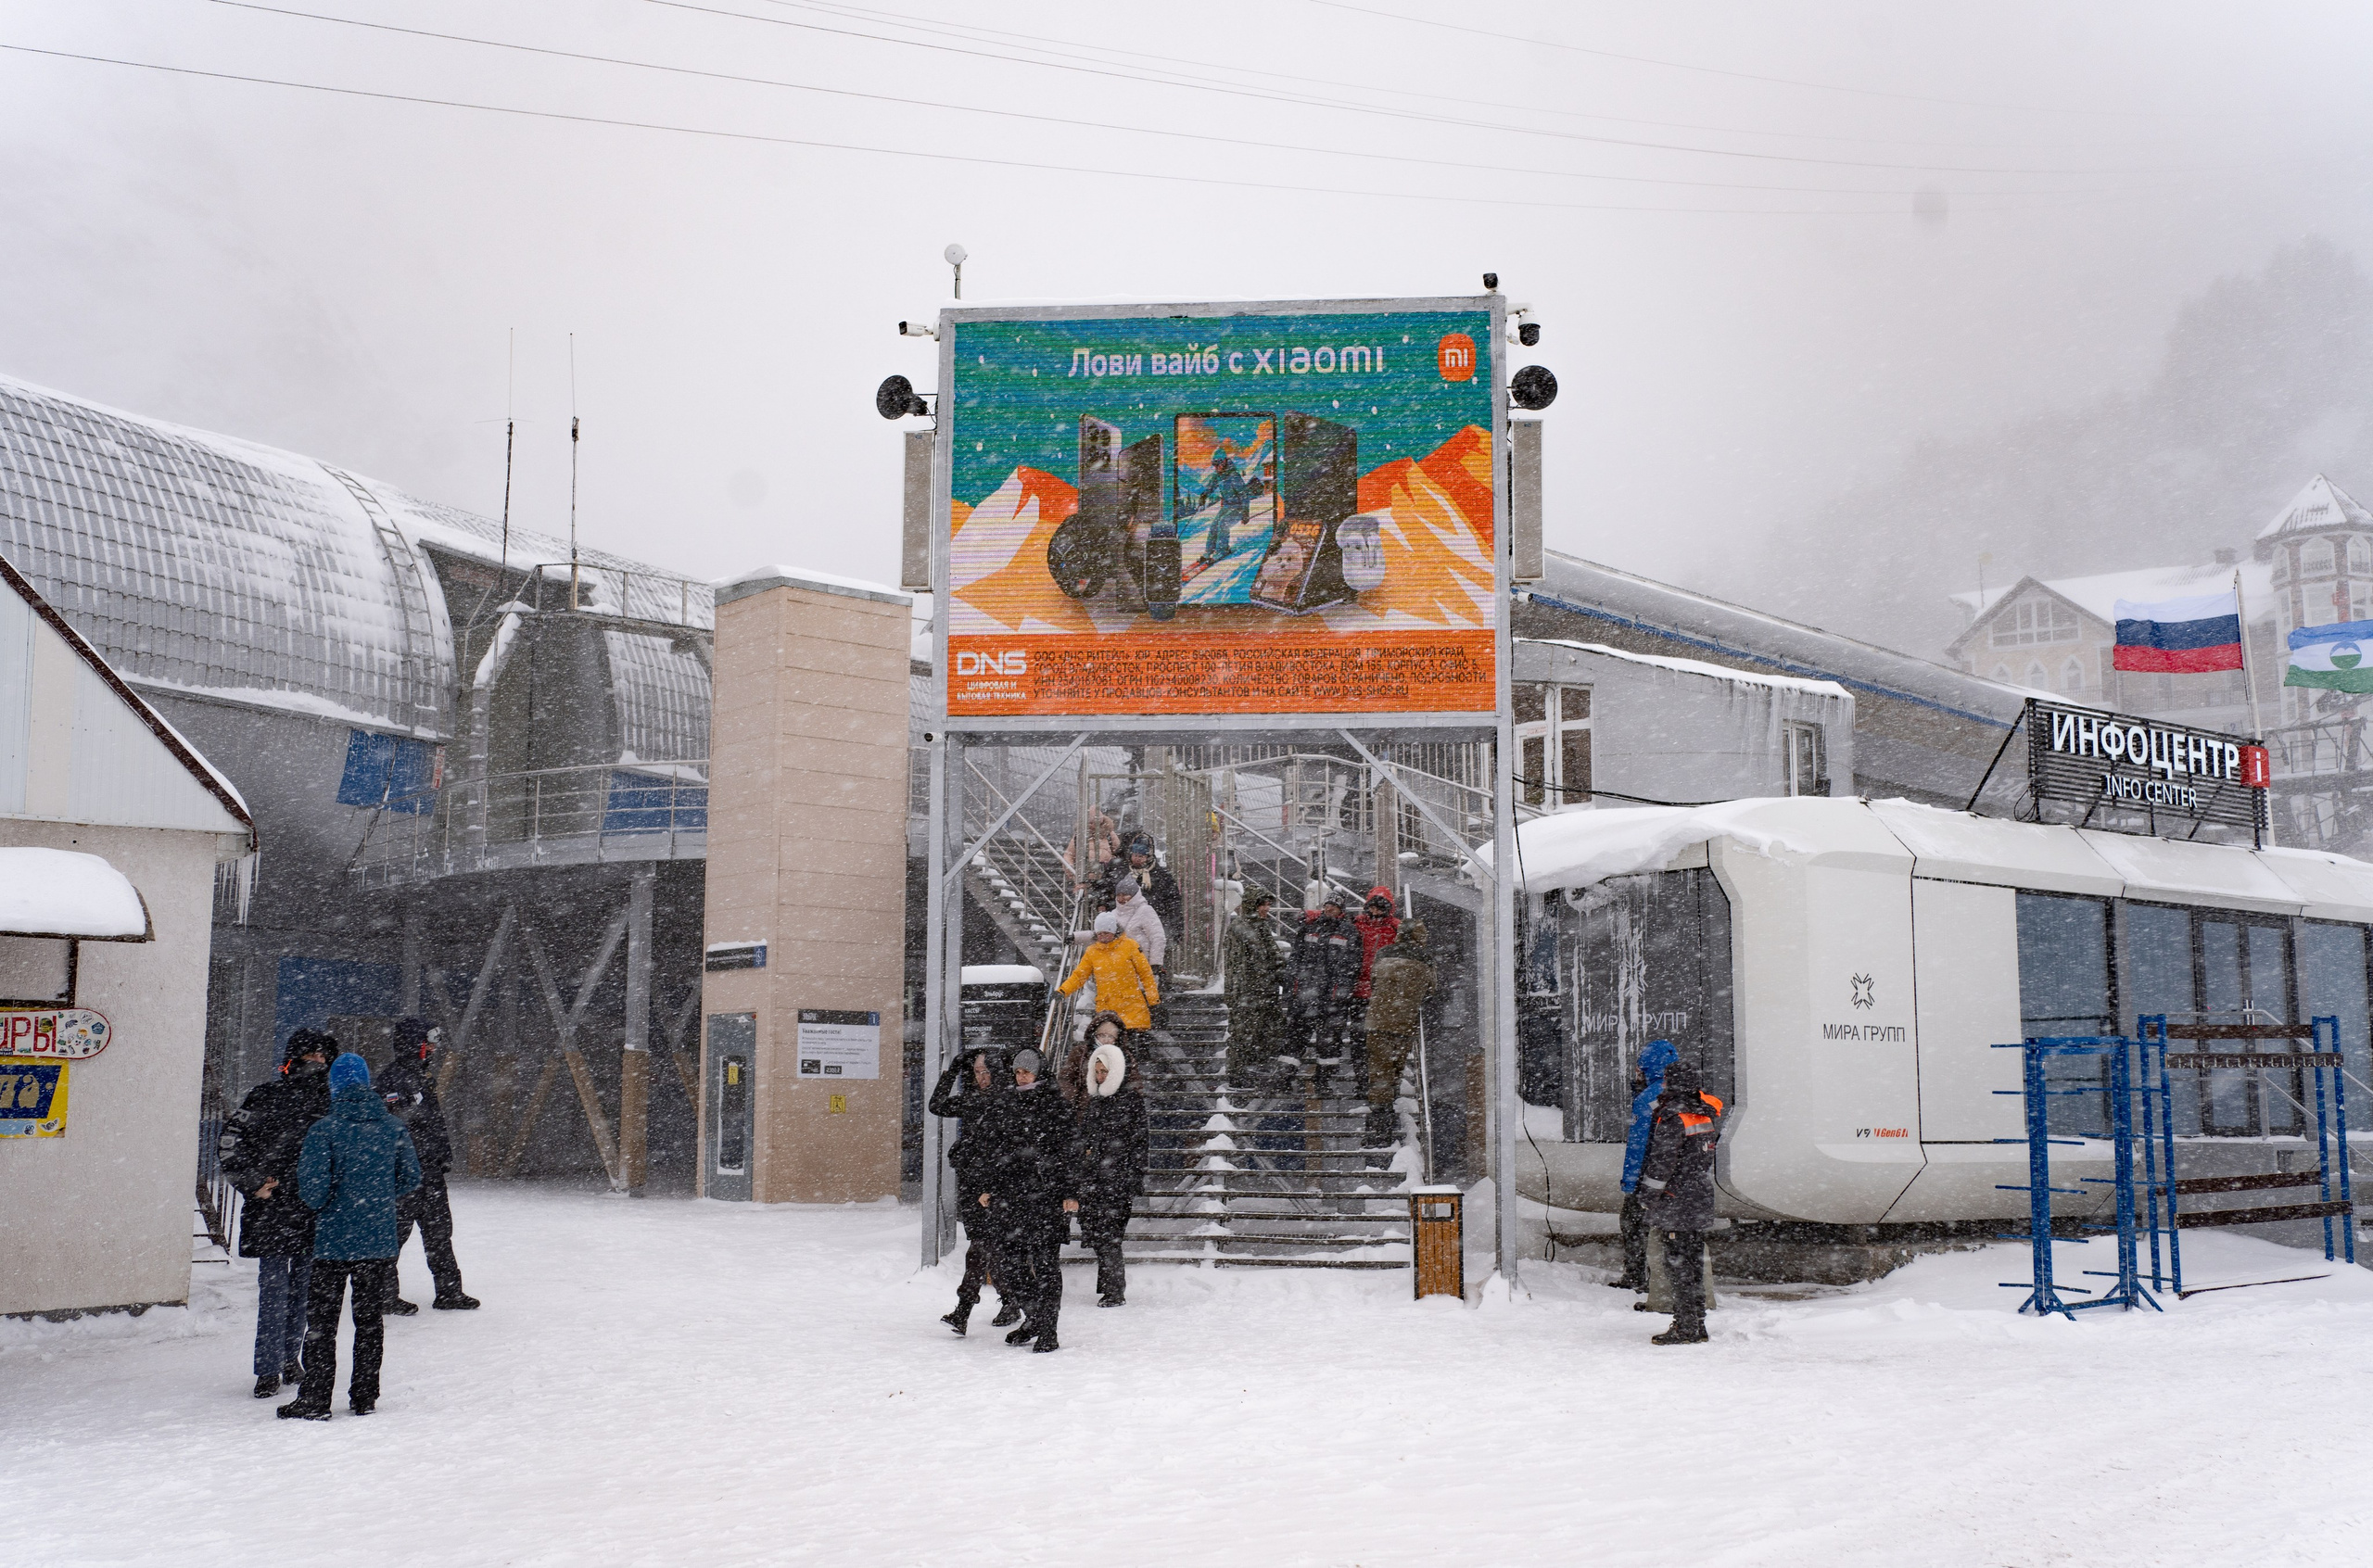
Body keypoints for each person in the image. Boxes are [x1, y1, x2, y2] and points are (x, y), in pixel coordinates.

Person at [280, 1052, 422, 1419]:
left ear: (334, 1087)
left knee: (322, 1324)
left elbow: (312, 1192)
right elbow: (412, 1177)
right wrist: (376, 1196)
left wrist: (336, 1198)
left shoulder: (324, 1130)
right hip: (377, 1242)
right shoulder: (393, 1128)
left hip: (331, 1243)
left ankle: (315, 1399)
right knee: (369, 1321)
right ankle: (364, 1396)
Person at [219, 1028, 335, 1398]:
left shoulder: (332, 1103)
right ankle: (268, 1369)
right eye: (312, 1055)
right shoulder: (264, 1097)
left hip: (312, 1212)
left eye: (323, 1056)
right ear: (294, 1057)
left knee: (304, 1292)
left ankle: (289, 1360)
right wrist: (253, 1182)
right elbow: (230, 1144)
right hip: (272, 1212)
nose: (318, 1061)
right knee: (274, 1292)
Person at [975, 1047, 1079, 1352]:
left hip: (1047, 1196)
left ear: (1039, 1072)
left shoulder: (1055, 1103)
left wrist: (1071, 1191)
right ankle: (1035, 1317)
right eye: (1018, 1071)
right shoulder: (1005, 1101)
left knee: (1046, 1265)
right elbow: (993, 1148)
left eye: (1027, 1071)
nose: (1022, 1076)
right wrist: (988, 1186)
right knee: (1009, 1263)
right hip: (1011, 1196)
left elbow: (1070, 1150)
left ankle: (1049, 1330)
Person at [378, 1018, 478, 1312]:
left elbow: (430, 1121)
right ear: (415, 1044)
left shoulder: (422, 1076)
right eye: (429, 1042)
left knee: (439, 1232)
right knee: (395, 1234)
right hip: (405, 1173)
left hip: (429, 1171)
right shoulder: (393, 1078)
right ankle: (383, 1294)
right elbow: (393, 1121)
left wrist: (439, 1154)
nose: (433, 1048)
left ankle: (448, 1292)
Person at [1635, 1057, 1725, 1346]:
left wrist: (1648, 1197)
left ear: (1669, 1082)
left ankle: (1686, 1326)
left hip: (1676, 1201)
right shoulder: (1703, 1113)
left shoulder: (1673, 1117)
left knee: (1678, 1263)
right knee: (1693, 1262)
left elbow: (1662, 1164)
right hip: (1699, 1195)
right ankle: (1696, 1323)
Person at [928, 1046, 1009, 1335]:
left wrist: (995, 1184)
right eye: (976, 1072)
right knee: (986, 1248)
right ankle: (1011, 1300)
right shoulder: (973, 1099)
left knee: (983, 1249)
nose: (981, 1077)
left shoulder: (1009, 1101)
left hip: (996, 1185)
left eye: (986, 1071)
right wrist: (952, 1072)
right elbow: (936, 1106)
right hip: (971, 1182)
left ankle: (964, 1309)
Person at [1072, 1022, 1149, 1309]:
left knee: (1109, 1236)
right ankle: (1110, 1288)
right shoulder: (1096, 1101)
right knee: (1102, 1235)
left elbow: (1139, 1142)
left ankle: (1114, 1290)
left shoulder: (1129, 1101)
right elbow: (1086, 1139)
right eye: (1097, 1070)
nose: (1101, 1075)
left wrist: (1131, 1175)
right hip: (1096, 1179)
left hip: (1116, 1180)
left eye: (1105, 1070)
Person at [1610, 1039, 1678, 1294]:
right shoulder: (1678, 1090)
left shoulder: (1650, 1097)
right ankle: (1661, 1280)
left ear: (1649, 1067)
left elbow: (1639, 1146)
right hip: (1670, 1173)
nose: (1637, 1070)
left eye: (1640, 1066)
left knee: (1633, 1222)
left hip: (1648, 1175)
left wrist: (1631, 1181)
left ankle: (1637, 1274)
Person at [1361, 922, 1434, 1147]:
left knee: (1379, 1071)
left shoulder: (1383, 953)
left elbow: (1373, 981)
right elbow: (1431, 989)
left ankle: (1378, 1124)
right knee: (1394, 1069)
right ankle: (1385, 1123)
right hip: (1404, 1023)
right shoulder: (1425, 958)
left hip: (1377, 1020)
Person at [1285, 894, 1361, 1094]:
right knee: (1295, 1038)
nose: (1329, 909)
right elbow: (1295, 959)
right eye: (1327, 905)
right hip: (1306, 997)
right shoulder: (1309, 928)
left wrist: (1338, 992)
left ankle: (1323, 1082)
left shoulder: (1349, 932)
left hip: (1331, 1000)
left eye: (1334, 906)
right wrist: (1294, 987)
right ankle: (1283, 1079)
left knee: (1329, 1044)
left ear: (1341, 910)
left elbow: (1351, 965)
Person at [1222, 889, 1288, 1082]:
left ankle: (1253, 1071)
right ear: (1253, 905)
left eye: (1268, 905)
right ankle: (1239, 1074)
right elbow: (1244, 963)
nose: (1267, 909)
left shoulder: (1260, 927)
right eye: (1263, 904)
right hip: (1247, 992)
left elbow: (1272, 957)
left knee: (1265, 1033)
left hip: (1262, 991)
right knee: (1244, 1035)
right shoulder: (1241, 928)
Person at [1057, 912, 1160, 1031]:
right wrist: (1062, 991)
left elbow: (1145, 974)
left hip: (1132, 1010)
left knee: (1133, 1046)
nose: (1103, 936)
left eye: (1106, 933)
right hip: (1107, 1011)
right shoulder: (1092, 952)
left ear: (1114, 931)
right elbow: (1079, 976)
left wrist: (1154, 1000)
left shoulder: (1130, 946)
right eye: (1099, 933)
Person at [1348, 887, 1402, 1099]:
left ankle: (1383, 1084)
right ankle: (1363, 1082)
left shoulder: (1396, 928)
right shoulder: (1356, 924)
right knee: (1360, 1041)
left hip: (1383, 994)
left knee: (1382, 1043)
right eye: (1373, 907)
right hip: (1360, 994)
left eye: (1381, 908)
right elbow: (1331, 918)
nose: (1376, 911)